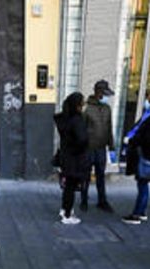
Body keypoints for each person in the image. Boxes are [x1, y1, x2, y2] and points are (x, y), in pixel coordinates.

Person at [122, 89, 150, 225]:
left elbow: (147, 137)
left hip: (146, 154)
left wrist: (132, 141)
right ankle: (140, 212)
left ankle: (137, 214)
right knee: (143, 183)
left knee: (142, 183)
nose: (148, 98)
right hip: (144, 152)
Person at [54, 92, 89, 225]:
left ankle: (65, 209)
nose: (84, 105)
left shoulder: (65, 118)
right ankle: (67, 214)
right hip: (75, 158)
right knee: (71, 187)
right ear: (77, 105)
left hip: (66, 156)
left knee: (68, 185)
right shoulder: (77, 120)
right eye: (82, 102)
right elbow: (82, 140)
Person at [81, 79, 116, 213]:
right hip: (88, 148)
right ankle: (84, 199)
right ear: (97, 92)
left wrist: (111, 146)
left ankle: (102, 201)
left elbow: (109, 127)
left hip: (101, 148)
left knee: (101, 175)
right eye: (104, 94)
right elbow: (81, 130)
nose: (106, 97)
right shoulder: (86, 108)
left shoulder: (107, 109)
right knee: (85, 175)